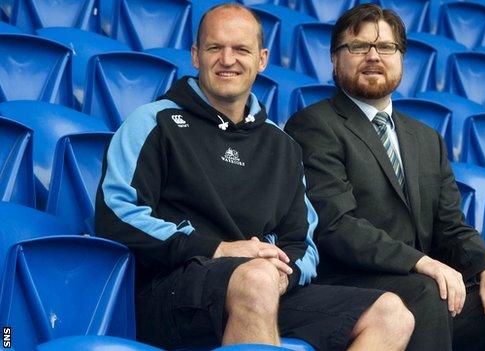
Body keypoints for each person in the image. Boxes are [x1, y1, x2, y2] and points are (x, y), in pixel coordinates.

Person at [95, 4, 414, 350]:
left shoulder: (282, 145)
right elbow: (116, 214)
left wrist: (281, 275)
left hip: (260, 288)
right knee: (257, 279)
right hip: (171, 290)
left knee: (392, 314)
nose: (227, 59)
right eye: (215, 48)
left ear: (262, 59)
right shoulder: (154, 122)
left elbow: (302, 242)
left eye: (241, 49)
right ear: (195, 56)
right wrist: (219, 250)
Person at [284, 4, 485, 351]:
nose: (373, 56)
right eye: (358, 46)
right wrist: (420, 263)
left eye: (386, 47)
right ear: (335, 60)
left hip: (424, 292)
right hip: (348, 288)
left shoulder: (427, 139)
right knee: (427, 292)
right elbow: (335, 225)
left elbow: (451, 227)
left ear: (401, 59)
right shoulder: (314, 125)